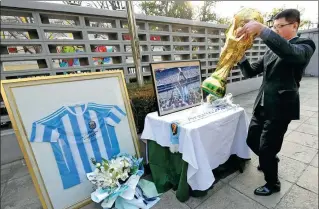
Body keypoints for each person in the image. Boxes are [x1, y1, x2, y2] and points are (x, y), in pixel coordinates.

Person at [236, 9, 316, 196]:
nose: (276, 30)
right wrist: (240, 56)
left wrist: (263, 30)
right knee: (252, 140)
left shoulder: (305, 45)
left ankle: (273, 184)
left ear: (295, 25)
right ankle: (269, 159)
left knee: (267, 148)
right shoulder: (271, 49)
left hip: (281, 107)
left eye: (280, 26)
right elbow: (250, 71)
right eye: (274, 27)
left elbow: (291, 54)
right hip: (262, 104)